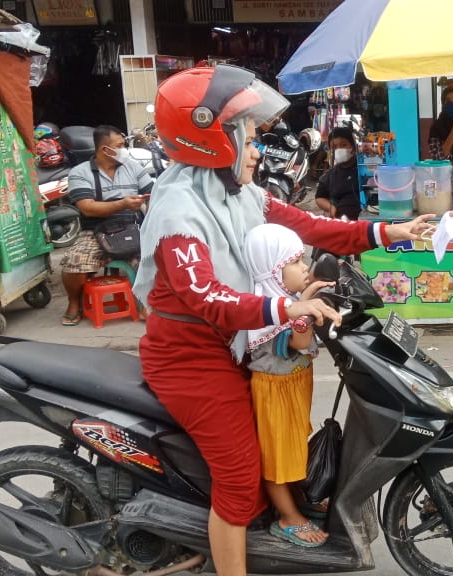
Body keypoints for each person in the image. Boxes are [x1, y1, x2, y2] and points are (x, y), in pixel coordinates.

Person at [132, 64, 431, 576]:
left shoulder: (239, 193)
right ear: (213, 141)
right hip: (190, 359)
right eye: (247, 138)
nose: (255, 150)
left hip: (238, 343)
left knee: (279, 440)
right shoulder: (179, 213)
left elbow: (310, 226)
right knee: (241, 473)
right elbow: (207, 296)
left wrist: (391, 232)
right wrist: (285, 308)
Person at [241, 223, 329, 547]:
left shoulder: (285, 298)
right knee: (279, 455)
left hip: (293, 385)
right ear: (272, 269)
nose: (303, 267)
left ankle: (297, 500)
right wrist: (307, 299)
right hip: (274, 391)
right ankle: (289, 517)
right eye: (294, 263)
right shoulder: (268, 306)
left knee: (293, 447)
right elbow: (301, 337)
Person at [59, 125, 152, 326]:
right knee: (72, 262)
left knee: (158, 258)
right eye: (120, 145)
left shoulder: (133, 167)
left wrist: (151, 210)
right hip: (96, 230)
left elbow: (152, 195)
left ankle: (147, 305)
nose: (124, 149)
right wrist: (123, 203)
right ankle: (74, 302)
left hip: (132, 228)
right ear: (104, 150)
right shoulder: (80, 173)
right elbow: (88, 208)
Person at [315, 126, 362, 220]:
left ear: (353, 146)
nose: (339, 149)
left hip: (366, 223)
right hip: (342, 223)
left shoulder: (364, 168)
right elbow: (319, 198)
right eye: (334, 147)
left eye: (344, 145)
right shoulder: (330, 175)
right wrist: (330, 207)